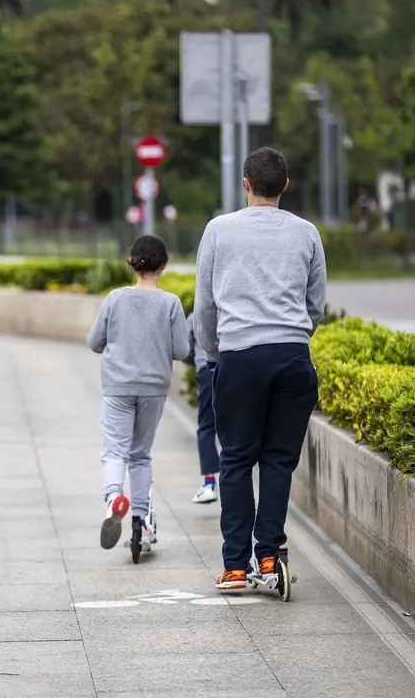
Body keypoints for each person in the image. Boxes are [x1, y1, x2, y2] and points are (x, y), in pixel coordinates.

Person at [194, 147, 327, 594]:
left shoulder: (218, 230)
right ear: (285, 185)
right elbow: (315, 303)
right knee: (278, 463)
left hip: (239, 357)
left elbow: (205, 305)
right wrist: (294, 335)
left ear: (245, 184)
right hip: (293, 358)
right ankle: (270, 557)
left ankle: (235, 566)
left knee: (235, 460)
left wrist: (216, 352)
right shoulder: (307, 233)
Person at [87, 235, 190, 551]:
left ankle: (114, 498)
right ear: (164, 265)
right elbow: (182, 350)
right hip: (153, 388)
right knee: (140, 455)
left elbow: (94, 342)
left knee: (115, 451)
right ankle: (141, 522)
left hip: (117, 386)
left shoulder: (115, 299)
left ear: (131, 262)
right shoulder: (170, 303)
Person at [183, 312, 219, 504]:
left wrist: (197, 358)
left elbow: (185, 349)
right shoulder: (234, 307)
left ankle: (209, 484)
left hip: (207, 372)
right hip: (235, 369)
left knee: (206, 428)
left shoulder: (195, 315)